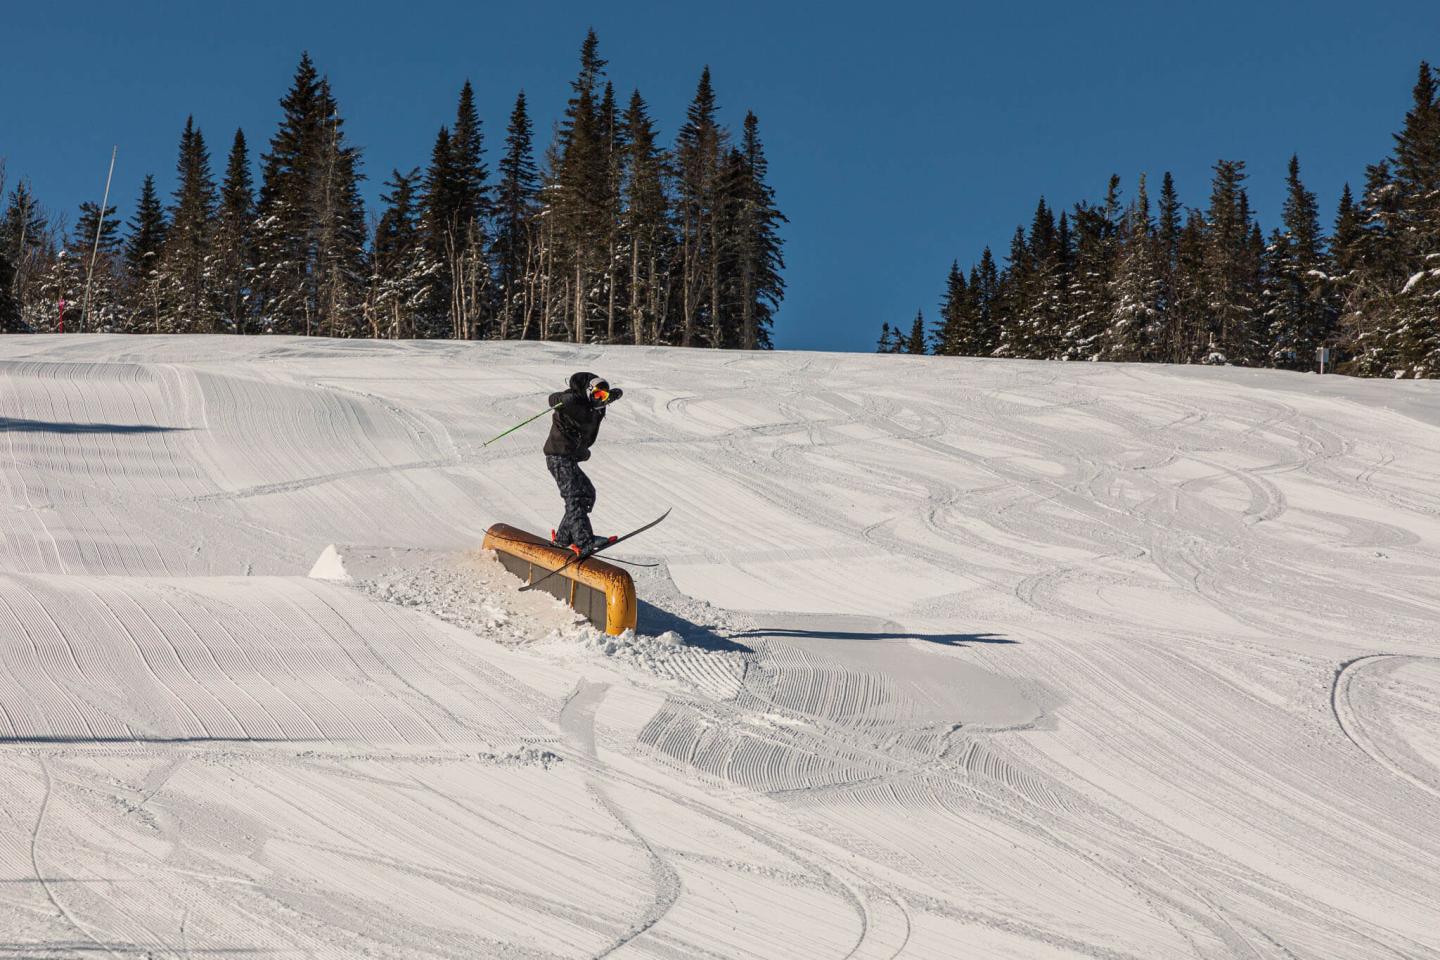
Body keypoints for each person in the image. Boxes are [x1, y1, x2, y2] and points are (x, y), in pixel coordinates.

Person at [544, 371, 623, 555]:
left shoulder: (596, 405)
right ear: (588, 391)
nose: (600, 399)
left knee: (587, 494)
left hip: (570, 457)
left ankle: (564, 537)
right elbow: (552, 400)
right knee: (574, 496)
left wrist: (614, 394)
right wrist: (566, 398)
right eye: (596, 394)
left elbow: (610, 395)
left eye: (603, 396)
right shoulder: (574, 403)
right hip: (558, 455)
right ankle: (583, 541)